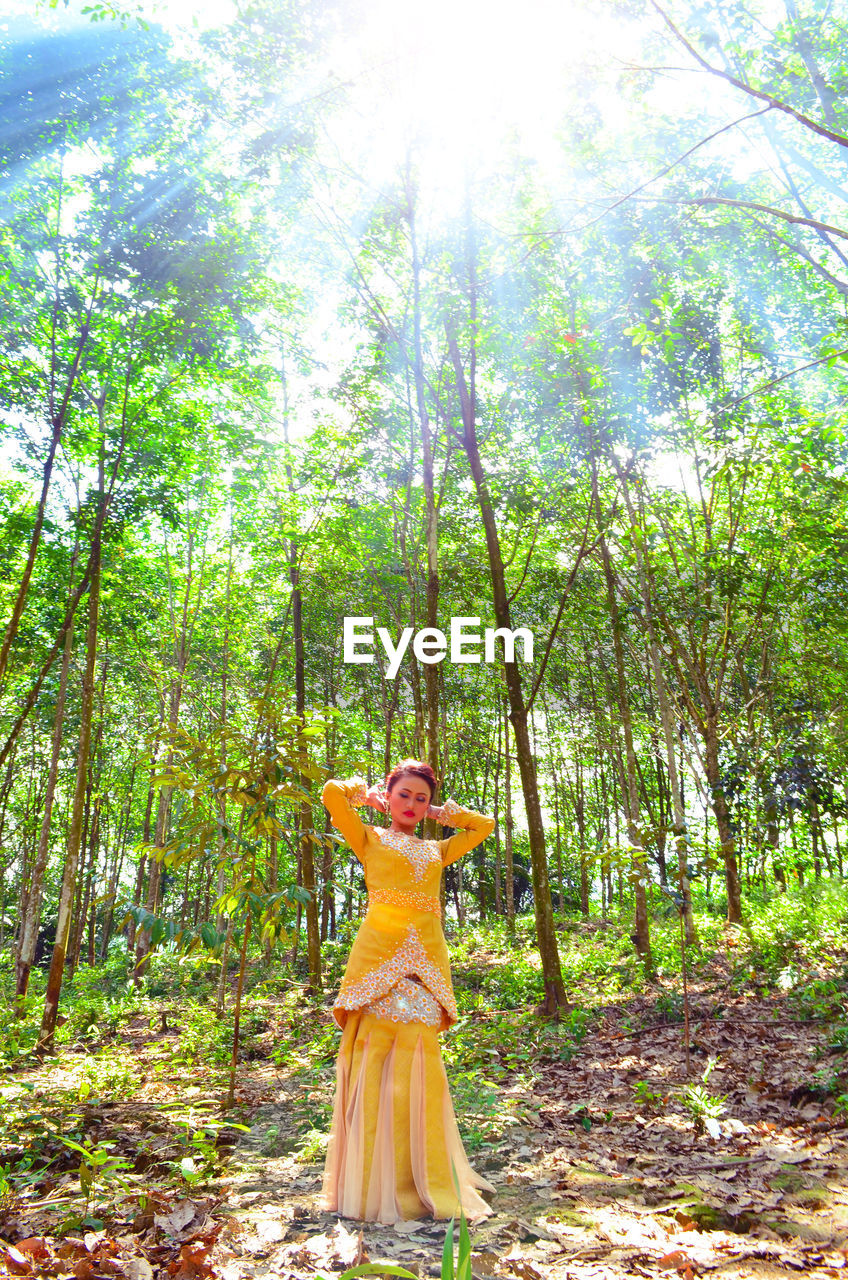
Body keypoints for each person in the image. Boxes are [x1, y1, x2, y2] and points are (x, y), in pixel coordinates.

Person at [320, 759, 496, 1225]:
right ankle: (371, 1183)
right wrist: (365, 796)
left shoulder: (437, 851)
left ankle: (419, 1180)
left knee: (419, 1063)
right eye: (404, 795)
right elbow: (331, 794)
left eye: (421, 797)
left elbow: (485, 824)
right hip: (377, 962)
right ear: (388, 795)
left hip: (425, 966)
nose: (412, 805)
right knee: (375, 1062)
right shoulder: (370, 838)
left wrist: (441, 814)